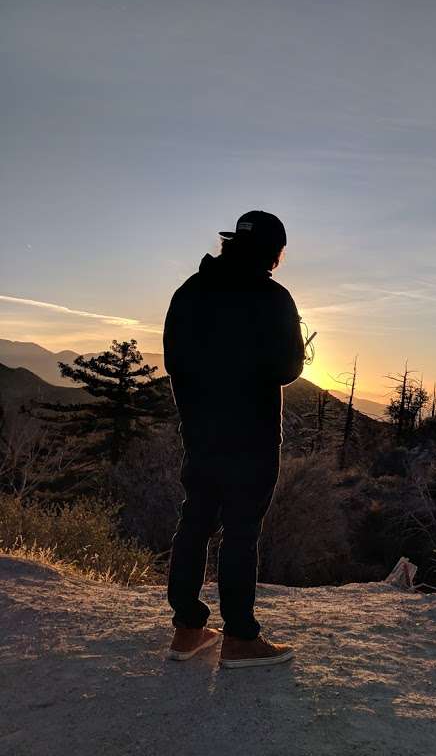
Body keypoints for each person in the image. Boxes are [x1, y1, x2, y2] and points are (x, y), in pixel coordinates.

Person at [163, 210, 305, 668]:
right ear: (274, 253)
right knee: (242, 532)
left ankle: (188, 630)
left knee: (195, 523)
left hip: (201, 432)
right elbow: (288, 369)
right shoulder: (272, 298)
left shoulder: (189, 292)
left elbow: (174, 362)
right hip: (253, 435)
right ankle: (240, 638)